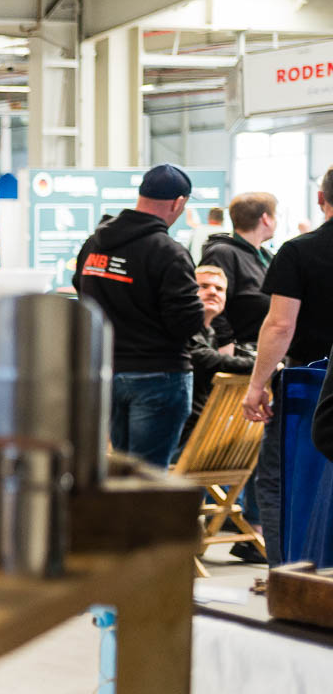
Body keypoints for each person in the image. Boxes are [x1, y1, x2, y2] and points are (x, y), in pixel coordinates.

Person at [74, 163, 205, 469]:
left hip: (109, 373)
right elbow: (185, 322)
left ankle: (117, 519)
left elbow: (82, 294)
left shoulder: (94, 244)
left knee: (121, 470)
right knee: (148, 477)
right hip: (158, 376)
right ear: (178, 203)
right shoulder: (168, 251)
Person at [241, 168, 333, 561]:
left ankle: (289, 576)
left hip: (309, 385)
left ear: (320, 198)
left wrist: (257, 385)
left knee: (283, 480)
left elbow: (280, 324)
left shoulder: (298, 251)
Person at [183, 265, 254, 441]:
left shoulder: (210, 333)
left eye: (219, 289)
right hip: (182, 436)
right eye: (204, 286)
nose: (213, 292)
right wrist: (263, 365)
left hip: (203, 433)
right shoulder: (182, 327)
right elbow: (204, 359)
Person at [200, 191, 275, 347]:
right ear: (266, 219)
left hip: (263, 347)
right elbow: (211, 304)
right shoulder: (223, 254)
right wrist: (226, 344)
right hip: (238, 352)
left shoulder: (265, 255)